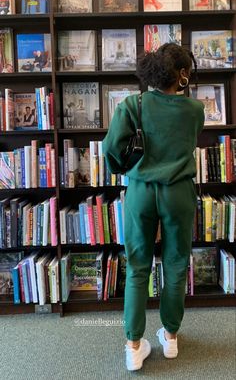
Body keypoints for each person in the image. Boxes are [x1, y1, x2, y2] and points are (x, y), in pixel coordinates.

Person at [102, 43, 205, 371]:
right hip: (178, 192)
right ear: (183, 75)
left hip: (142, 191)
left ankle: (134, 346)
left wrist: (128, 169)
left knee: (137, 267)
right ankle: (170, 337)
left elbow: (110, 150)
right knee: (175, 265)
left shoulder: (133, 105)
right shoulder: (195, 110)